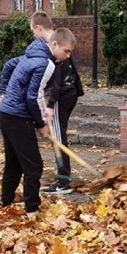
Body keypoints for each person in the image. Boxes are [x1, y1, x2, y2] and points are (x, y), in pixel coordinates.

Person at [0, 27, 76, 217]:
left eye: (70, 52)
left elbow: (8, 65)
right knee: (33, 166)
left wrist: (4, 93)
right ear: (54, 44)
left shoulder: (30, 55)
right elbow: (33, 97)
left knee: (14, 163)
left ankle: (5, 203)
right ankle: (32, 210)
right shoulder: (45, 64)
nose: (67, 56)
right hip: (18, 117)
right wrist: (40, 123)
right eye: (66, 51)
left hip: (6, 114)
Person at [42, 50, 84, 195]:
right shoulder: (64, 48)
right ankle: (63, 179)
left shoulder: (58, 52)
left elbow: (56, 81)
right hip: (69, 93)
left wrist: (50, 104)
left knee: (58, 138)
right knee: (59, 137)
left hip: (62, 96)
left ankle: (63, 182)